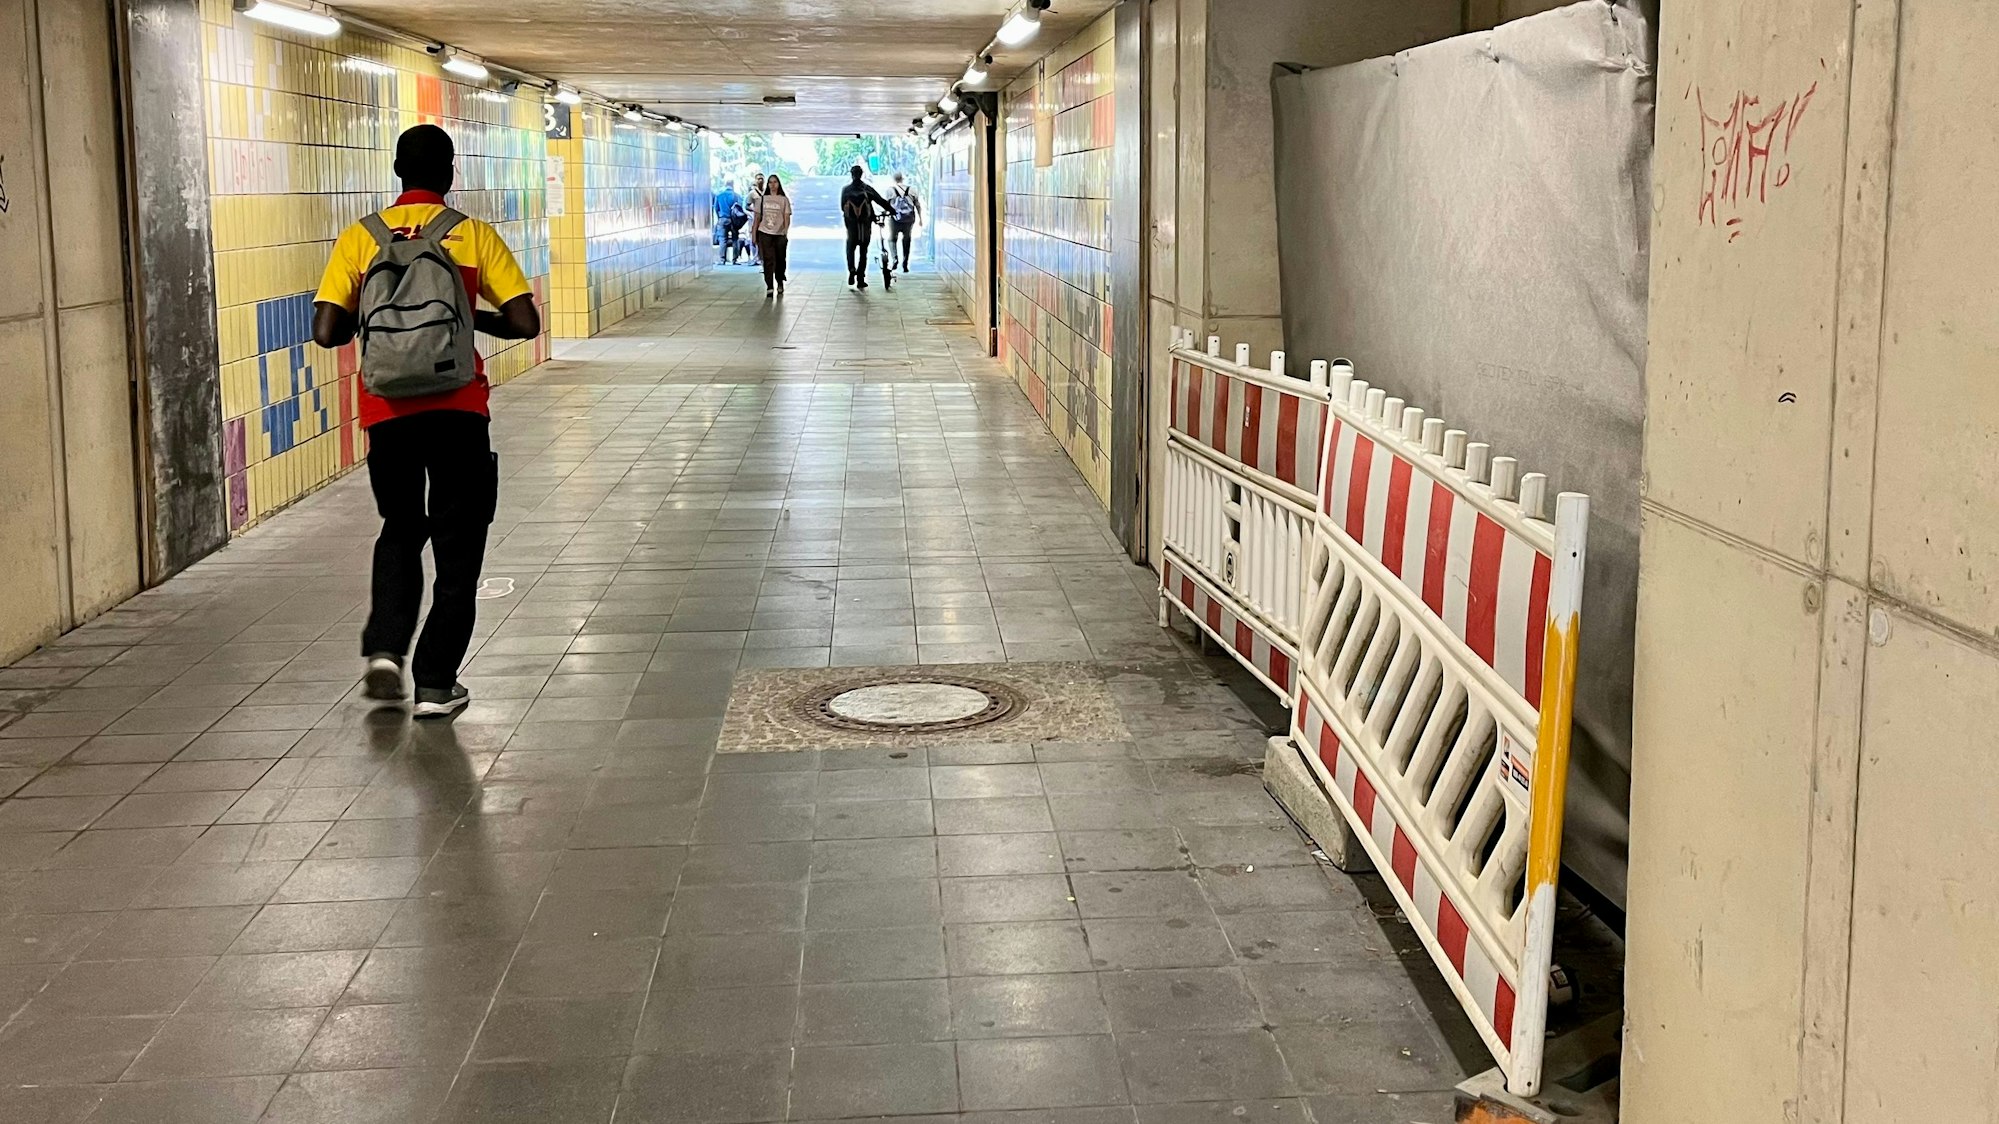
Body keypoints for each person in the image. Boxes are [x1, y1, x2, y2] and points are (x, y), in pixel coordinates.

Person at [311, 124, 539, 718]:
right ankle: (436, 683)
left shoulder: (361, 239)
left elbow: (326, 331)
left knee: (401, 528)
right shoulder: (470, 235)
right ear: (451, 174)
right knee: (459, 545)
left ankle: (385, 648)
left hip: (386, 411)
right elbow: (523, 323)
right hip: (459, 408)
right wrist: (467, 321)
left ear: (396, 171)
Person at [839, 165, 891, 289]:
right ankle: (860, 279)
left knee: (850, 249)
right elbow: (881, 201)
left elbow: (842, 207)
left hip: (851, 227)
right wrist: (892, 211)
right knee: (863, 252)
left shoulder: (846, 190)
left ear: (852, 174)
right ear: (861, 174)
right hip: (865, 227)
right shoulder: (867, 189)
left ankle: (852, 269)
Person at [754, 174, 793, 297]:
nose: (773, 184)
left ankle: (780, 281)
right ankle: (769, 286)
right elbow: (757, 218)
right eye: (770, 182)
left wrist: (785, 231)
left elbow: (786, 217)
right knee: (768, 260)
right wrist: (754, 235)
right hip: (765, 233)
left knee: (780, 260)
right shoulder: (762, 200)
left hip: (779, 234)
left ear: (779, 184)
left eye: (775, 182)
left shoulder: (783, 200)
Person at [887, 173, 921, 271]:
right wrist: (920, 218)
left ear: (894, 179)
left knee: (892, 239)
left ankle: (895, 259)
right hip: (909, 219)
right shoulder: (912, 190)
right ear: (903, 179)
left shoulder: (890, 190)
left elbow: (887, 205)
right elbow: (917, 205)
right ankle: (905, 263)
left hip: (895, 219)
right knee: (907, 239)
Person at [715, 180, 746, 264]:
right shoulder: (736, 196)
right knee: (735, 239)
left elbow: (716, 209)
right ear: (733, 185)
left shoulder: (719, 196)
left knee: (723, 239)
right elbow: (740, 209)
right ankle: (734, 259)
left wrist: (720, 218)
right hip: (733, 220)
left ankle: (722, 260)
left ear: (725, 185)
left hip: (722, 219)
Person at [744, 173, 765, 266]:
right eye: (758, 179)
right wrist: (755, 210)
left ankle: (763, 259)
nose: (760, 180)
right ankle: (757, 258)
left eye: (762, 179)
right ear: (755, 181)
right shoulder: (752, 194)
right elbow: (746, 206)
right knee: (755, 239)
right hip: (756, 219)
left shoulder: (767, 192)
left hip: (766, 219)